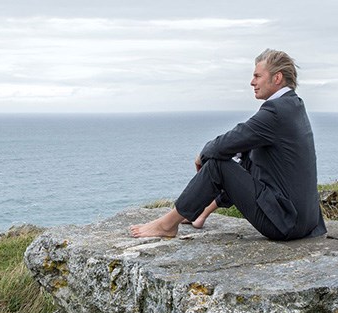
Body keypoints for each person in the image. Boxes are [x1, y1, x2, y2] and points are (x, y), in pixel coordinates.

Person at [129, 49, 327, 240]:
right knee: (247, 157)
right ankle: (199, 213)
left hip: (286, 224)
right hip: (307, 222)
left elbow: (226, 143)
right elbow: (244, 162)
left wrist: (202, 155)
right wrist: (206, 209)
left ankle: (166, 225)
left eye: (257, 76)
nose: (252, 82)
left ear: (277, 78)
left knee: (218, 164)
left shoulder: (276, 111)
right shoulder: (293, 105)